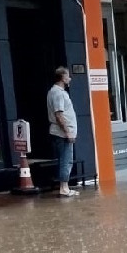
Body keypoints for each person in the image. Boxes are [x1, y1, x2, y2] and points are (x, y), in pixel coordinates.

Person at [46, 66, 78, 197]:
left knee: (64, 159)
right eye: (68, 76)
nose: (69, 78)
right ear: (63, 78)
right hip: (62, 133)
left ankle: (64, 186)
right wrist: (68, 132)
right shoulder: (58, 93)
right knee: (66, 159)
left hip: (59, 132)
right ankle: (64, 188)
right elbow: (58, 114)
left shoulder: (53, 91)